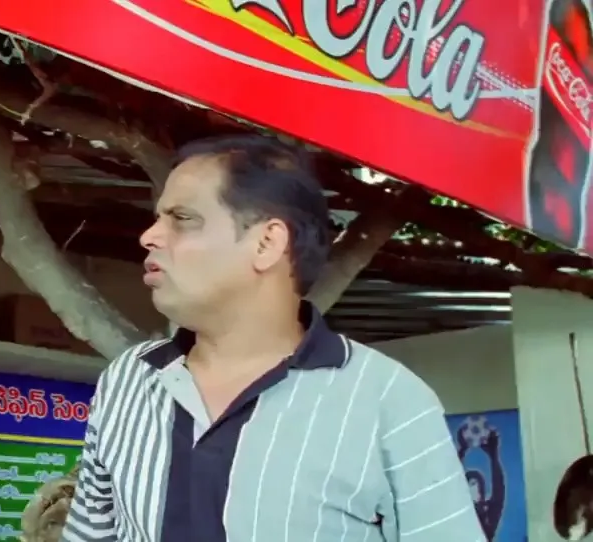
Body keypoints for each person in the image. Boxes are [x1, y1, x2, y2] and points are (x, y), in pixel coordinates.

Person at [61, 135, 484, 541]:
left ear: (266, 243)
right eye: (158, 218)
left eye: (183, 219)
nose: (149, 236)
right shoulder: (128, 380)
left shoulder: (389, 402)